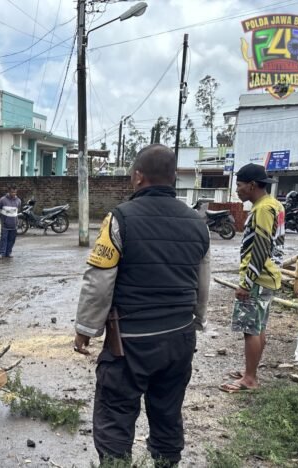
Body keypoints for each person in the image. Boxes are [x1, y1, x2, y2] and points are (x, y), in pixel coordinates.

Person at [73, 144, 210, 467]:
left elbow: (99, 281)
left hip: (130, 343)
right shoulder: (197, 222)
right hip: (179, 338)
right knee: (168, 413)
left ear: (137, 177)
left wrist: (85, 329)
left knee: (116, 415)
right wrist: (197, 320)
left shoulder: (119, 219)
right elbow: (203, 280)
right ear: (173, 178)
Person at [219, 163, 285, 394]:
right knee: (258, 327)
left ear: (252, 185)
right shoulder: (274, 204)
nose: (237, 190)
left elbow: (261, 247)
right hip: (268, 276)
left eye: (239, 185)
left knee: (250, 329)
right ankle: (250, 370)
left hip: (257, 278)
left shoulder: (262, 209)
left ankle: (249, 379)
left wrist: (246, 283)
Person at [0, 185, 21, 260]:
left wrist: (16, 220)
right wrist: (2, 216)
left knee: (12, 240)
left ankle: (8, 252)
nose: (14, 194)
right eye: (12, 192)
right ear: (9, 191)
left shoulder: (18, 201)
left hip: (14, 224)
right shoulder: (3, 200)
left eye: (15, 192)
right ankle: (1, 253)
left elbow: (17, 210)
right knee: (4, 239)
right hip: (5, 224)